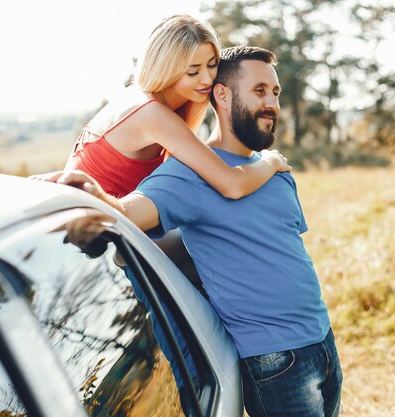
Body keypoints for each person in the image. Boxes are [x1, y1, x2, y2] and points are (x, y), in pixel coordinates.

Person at [51, 46, 342, 417]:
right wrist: (99, 198)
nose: (272, 103)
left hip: (322, 340)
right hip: (275, 361)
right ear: (222, 94)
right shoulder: (188, 175)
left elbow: (281, 253)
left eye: (275, 92)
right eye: (259, 91)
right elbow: (129, 211)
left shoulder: (273, 170)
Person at [60, 14, 290, 201]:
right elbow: (232, 185)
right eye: (193, 71)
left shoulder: (149, 100)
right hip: (96, 235)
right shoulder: (151, 113)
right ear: (166, 67)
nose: (207, 80)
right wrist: (271, 161)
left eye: (212, 65)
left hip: (112, 224)